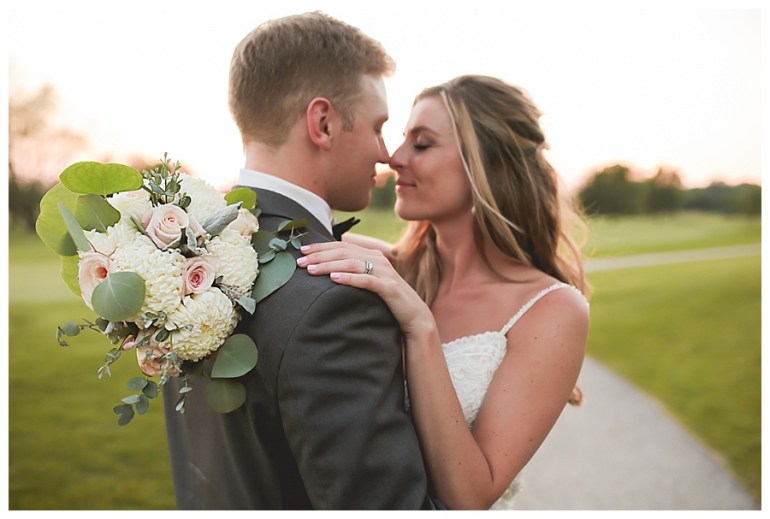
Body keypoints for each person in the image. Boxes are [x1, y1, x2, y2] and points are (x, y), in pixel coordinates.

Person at [163, 12, 442, 510]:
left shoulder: (180, 264)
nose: (385, 153)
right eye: (379, 127)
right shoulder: (336, 302)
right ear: (324, 123)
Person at [297, 75, 591, 510]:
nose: (394, 159)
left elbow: (470, 496)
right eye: (402, 140)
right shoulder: (384, 268)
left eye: (422, 144)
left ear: (486, 164)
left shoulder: (551, 310)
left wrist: (420, 326)